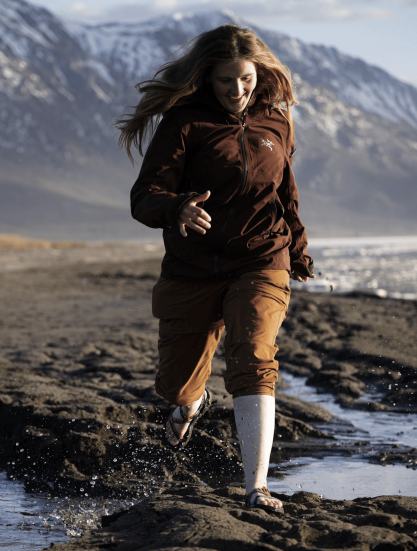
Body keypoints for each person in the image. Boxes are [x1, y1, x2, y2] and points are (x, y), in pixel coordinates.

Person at [116, 24, 314, 513]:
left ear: (258, 73)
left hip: (262, 259)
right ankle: (190, 402)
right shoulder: (184, 124)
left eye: (245, 79)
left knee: (252, 358)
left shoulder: (277, 123)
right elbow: (145, 197)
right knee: (176, 383)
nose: (237, 90)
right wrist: (178, 208)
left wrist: (300, 251)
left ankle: (257, 488)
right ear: (207, 78)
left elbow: (285, 194)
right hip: (193, 265)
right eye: (226, 80)